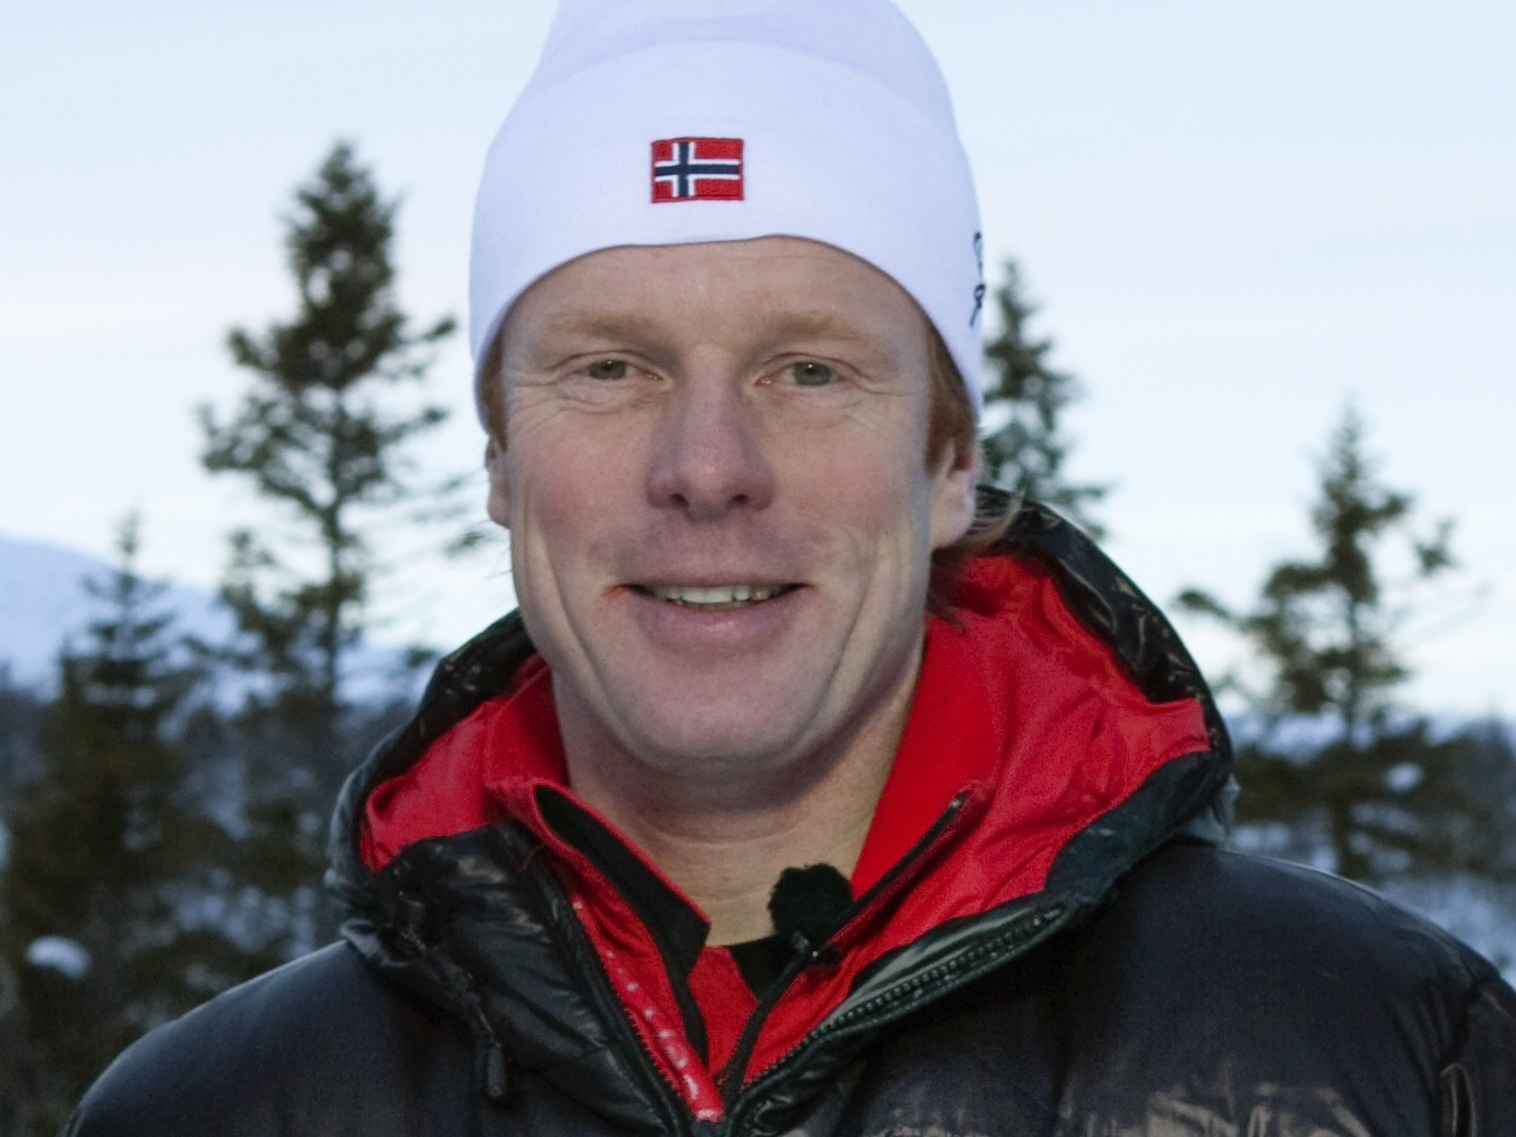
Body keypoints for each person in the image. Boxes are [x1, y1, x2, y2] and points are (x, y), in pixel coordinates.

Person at [67, 1, 1515, 1133]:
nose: (708, 464)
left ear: (948, 462)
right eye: (611, 366)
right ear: (501, 457)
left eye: (809, 369)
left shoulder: (1383, 1061)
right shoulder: (215, 1111)